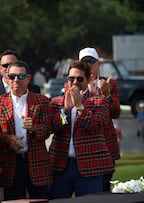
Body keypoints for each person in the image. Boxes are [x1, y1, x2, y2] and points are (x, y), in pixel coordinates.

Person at [48, 60, 114, 199]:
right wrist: (65, 111)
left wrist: (79, 107)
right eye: (71, 78)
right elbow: (52, 127)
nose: (75, 82)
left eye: (79, 79)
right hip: (61, 166)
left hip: (90, 167)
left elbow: (97, 126)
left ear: (89, 78)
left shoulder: (99, 102)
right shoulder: (56, 102)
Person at [0, 61, 51, 200]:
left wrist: (34, 128)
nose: (16, 80)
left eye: (21, 76)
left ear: (28, 78)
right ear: (7, 78)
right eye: (12, 76)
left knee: (39, 200)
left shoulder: (41, 101)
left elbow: (48, 129)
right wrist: (7, 139)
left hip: (36, 162)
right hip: (10, 164)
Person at [79, 47, 121, 192]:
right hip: (83, 143)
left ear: (98, 64)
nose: (88, 65)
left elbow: (116, 113)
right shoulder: (73, 84)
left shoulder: (109, 83)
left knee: (104, 187)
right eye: (84, 62)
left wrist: (107, 93)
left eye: (91, 61)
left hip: (105, 141)